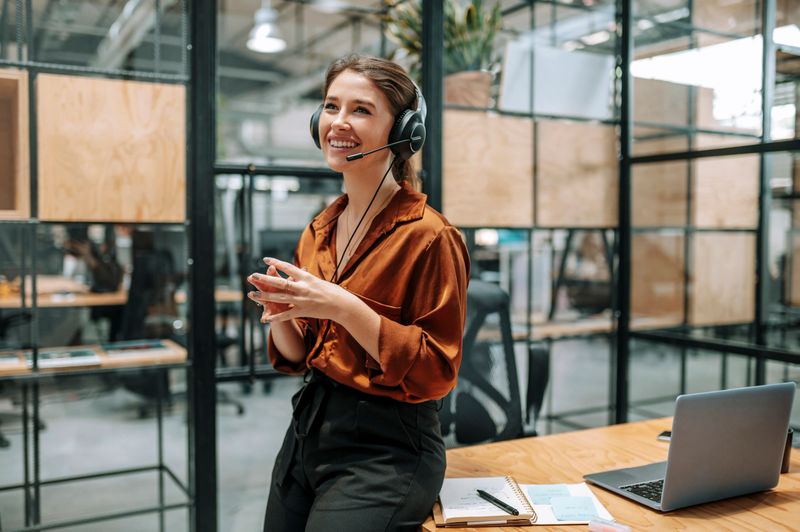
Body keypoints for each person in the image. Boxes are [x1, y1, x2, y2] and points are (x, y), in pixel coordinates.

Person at [247, 54, 470, 532]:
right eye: (331, 106)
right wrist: (282, 313)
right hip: (309, 432)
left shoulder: (429, 237)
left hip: (387, 450)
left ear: (405, 130)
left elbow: (436, 372)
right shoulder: (319, 230)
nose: (338, 123)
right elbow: (299, 356)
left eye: (361, 110)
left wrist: (343, 307)